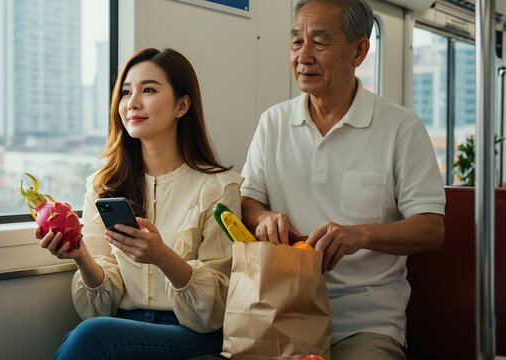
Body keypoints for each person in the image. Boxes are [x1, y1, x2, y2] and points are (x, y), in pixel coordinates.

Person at [240, 1, 445, 359]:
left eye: (319, 42)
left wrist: (359, 234)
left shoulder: (401, 128)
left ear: (359, 50)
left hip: (364, 323)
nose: (303, 57)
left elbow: (431, 229)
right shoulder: (272, 123)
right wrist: (264, 219)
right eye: (295, 42)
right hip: (281, 310)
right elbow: (247, 202)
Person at [37, 47, 243, 360]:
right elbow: (98, 308)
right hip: (123, 325)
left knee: (92, 337)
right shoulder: (103, 186)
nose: (132, 103)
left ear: (182, 105)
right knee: (90, 333)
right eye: (125, 92)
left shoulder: (218, 187)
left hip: (191, 333)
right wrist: (81, 256)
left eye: (148, 90)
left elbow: (214, 310)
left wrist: (162, 257)